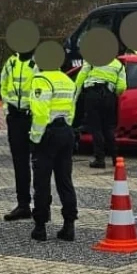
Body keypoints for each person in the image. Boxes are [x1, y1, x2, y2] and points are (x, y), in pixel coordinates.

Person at [28, 66, 77, 242]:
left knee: (42, 182)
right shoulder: (67, 80)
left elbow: (40, 113)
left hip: (48, 134)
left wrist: (35, 138)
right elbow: (72, 110)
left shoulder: (41, 79)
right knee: (65, 181)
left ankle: (40, 227)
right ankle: (69, 225)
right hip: (66, 131)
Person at [0, 49, 38, 221]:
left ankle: (41, 206)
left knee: (39, 164)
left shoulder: (39, 63)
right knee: (19, 163)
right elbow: (3, 85)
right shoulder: (11, 62)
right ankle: (23, 205)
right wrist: (8, 108)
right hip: (15, 118)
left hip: (34, 118)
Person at [74, 55, 127, 169]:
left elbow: (80, 79)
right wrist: (112, 94)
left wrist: (74, 98)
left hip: (92, 95)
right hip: (109, 96)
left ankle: (100, 159)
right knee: (108, 128)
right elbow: (122, 87)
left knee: (96, 128)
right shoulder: (118, 65)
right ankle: (115, 159)